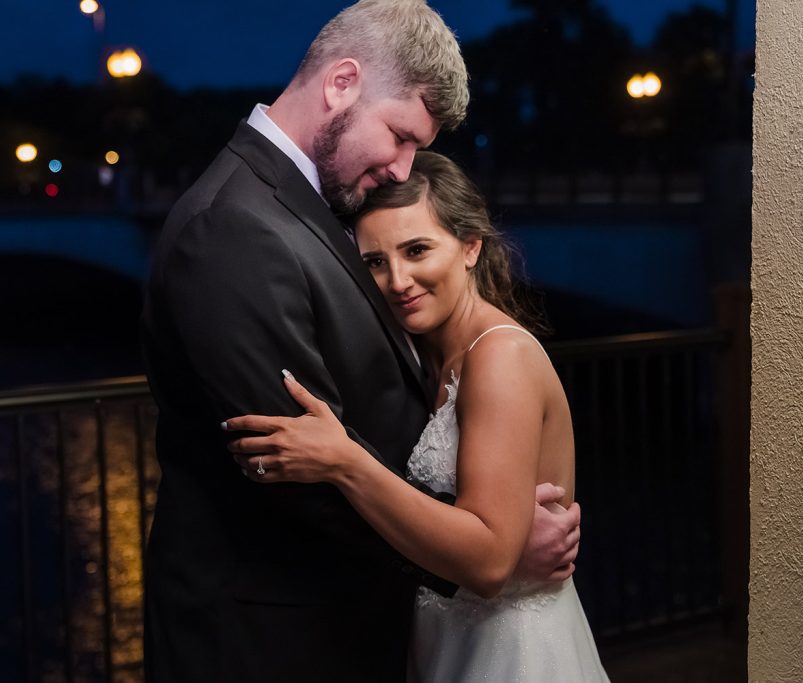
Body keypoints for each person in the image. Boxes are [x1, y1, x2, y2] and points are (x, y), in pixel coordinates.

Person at [141, 2, 580, 680]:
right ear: (342, 83)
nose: (405, 170)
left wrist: (482, 544)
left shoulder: (307, 203)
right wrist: (483, 557)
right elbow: (296, 478)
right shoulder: (233, 225)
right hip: (267, 643)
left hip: (343, 628)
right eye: (400, 135)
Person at [227, 151, 608, 681]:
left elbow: (489, 562)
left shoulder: (500, 357)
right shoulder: (430, 355)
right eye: (375, 262)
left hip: (511, 651)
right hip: (445, 640)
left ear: (470, 247)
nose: (398, 280)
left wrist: (345, 462)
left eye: (417, 250)